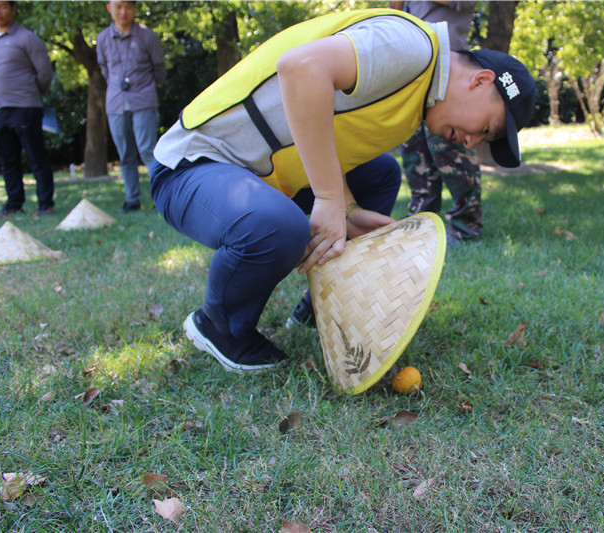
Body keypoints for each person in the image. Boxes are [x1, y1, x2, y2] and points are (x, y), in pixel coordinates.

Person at [150, 8, 535, 372]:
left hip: (255, 170)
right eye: (487, 129)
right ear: (481, 81)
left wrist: (347, 210)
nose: (472, 143)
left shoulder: (417, 99)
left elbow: (329, 134)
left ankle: (319, 305)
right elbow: (300, 68)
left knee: (381, 174)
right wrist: (330, 199)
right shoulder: (413, 47)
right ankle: (220, 325)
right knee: (282, 227)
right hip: (190, 165)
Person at [391, 0, 483, 243]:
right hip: (414, 74)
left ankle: (466, 226)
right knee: (415, 153)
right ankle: (421, 224)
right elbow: (395, 12)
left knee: (452, 153)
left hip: (448, 78)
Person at [0, 0, 55, 218]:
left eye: (3, 6)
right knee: (8, 161)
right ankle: (14, 202)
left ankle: (45, 203)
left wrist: (29, 94)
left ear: (13, 9)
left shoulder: (27, 38)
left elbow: (44, 73)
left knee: (36, 158)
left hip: (25, 107)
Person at [97, 0, 165, 213]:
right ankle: (132, 199)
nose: (123, 12)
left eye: (128, 6)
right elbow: (104, 69)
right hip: (116, 103)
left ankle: (161, 198)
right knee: (125, 154)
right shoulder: (102, 39)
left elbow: (159, 70)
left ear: (134, 8)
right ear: (109, 8)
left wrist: (144, 88)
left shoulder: (147, 36)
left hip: (143, 100)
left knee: (148, 150)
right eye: (118, 6)